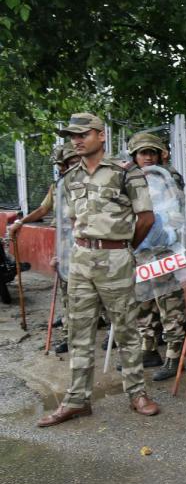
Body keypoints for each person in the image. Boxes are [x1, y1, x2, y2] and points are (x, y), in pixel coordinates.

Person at [37, 113, 159, 427]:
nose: (76, 140)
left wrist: (124, 247)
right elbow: (72, 222)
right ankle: (77, 400)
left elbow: (145, 217)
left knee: (127, 328)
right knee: (79, 330)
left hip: (115, 258)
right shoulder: (70, 177)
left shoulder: (125, 172)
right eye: (72, 136)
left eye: (83, 134)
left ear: (101, 135)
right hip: (80, 259)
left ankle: (137, 393)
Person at [125, 132, 186, 380]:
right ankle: (148, 348)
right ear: (135, 156)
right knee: (142, 301)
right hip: (138, 249)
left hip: (164, 250)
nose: (148, 157)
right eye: (143, 153)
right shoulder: (127, 178)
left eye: (152, 152)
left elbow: (179, 210)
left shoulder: (168, 177)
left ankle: (174, 354)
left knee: (169, 302)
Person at [8, 144, 80, 354]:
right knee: (67, 286)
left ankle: (89, 325)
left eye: (70, 162)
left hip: (87, 242)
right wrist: (20, 223)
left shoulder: (92, 184)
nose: (64, 168)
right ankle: (69, 329)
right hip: (65, 241)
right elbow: (43, 209)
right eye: (62, 164)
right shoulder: (58, 186)